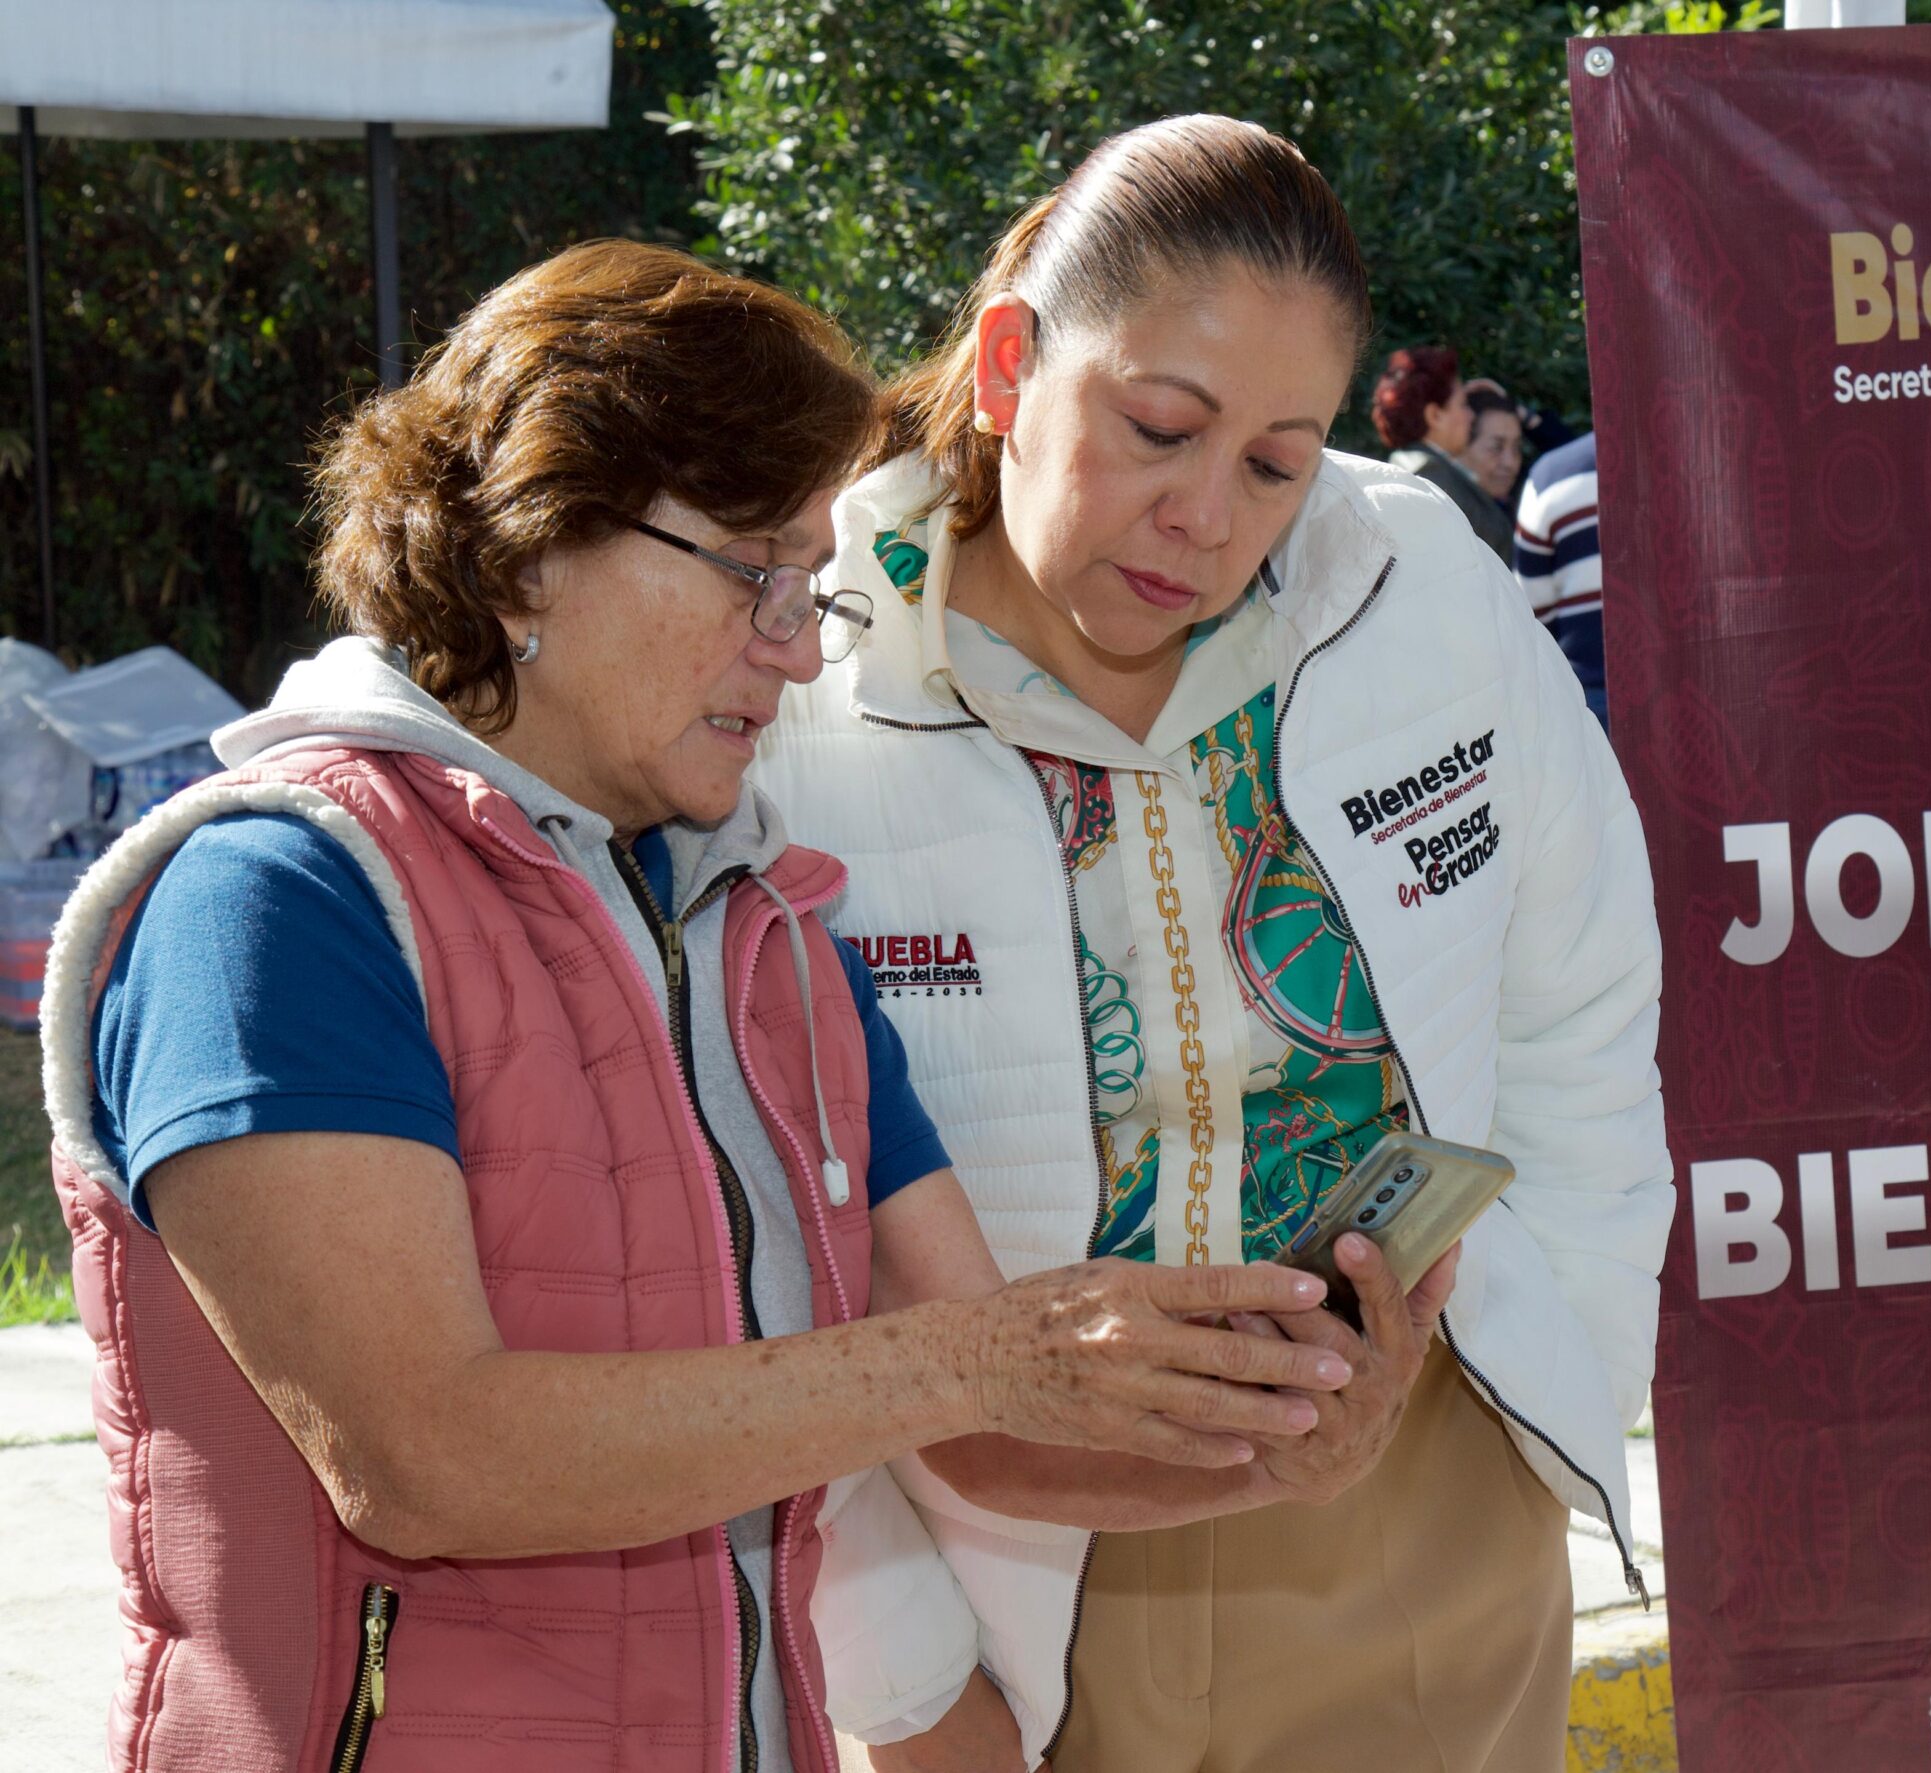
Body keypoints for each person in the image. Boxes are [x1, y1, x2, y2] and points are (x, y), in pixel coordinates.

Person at [38, 240, 1356, 1773]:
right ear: (534, 543)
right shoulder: (280, 897)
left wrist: (1282, 1437)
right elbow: (425, 1457)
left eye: (817, 591)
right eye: (758, 576)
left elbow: (987, 1432)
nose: (798, 653)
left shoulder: (773, 928)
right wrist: (981, 1357)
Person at [761, 115, 1674, 1773]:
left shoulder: (1416, 586)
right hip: (1002, 1571)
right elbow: (746, 1240)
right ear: (1009, 361)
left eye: (1276, 460)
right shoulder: (797, 691)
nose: (1204, 515)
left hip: (1423, 1510)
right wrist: (895, 1671)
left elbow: (1583, 991)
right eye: (1158, 427)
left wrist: (1555, 1386)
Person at [1370, 343, 1514, 556]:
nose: (1471, 416)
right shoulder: (1429, 475)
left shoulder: (1422, 468)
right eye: (1463, 405)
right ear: (1435, 415)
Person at [1514, 428, 1607, 728]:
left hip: (1590, 693)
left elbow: (1532, 612)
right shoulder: (1722, 452)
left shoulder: (1550, 476)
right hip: (1710, 685)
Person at [1459, 379, 1525, 507]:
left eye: (1517, 448)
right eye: (1496, 447)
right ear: (1460, 443)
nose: (1509, 463)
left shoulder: (1515, 508)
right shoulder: (1441, 510)